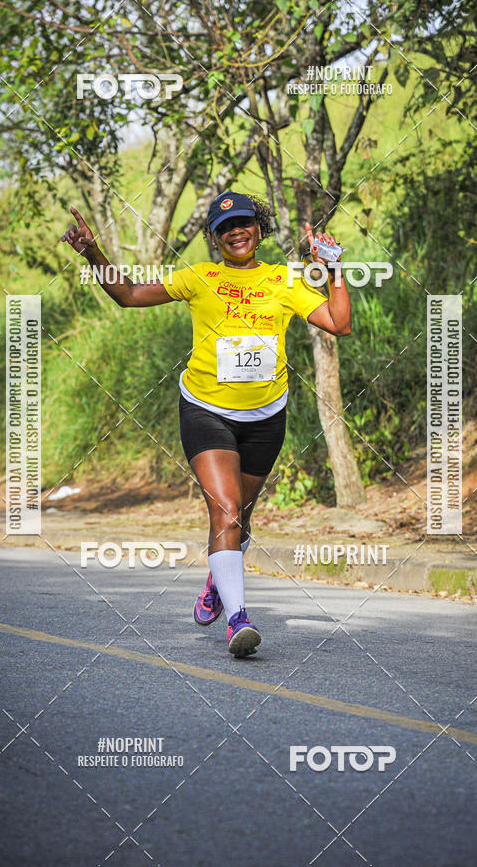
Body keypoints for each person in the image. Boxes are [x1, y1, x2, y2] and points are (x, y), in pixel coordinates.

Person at [61, 191, 351, 658]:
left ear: (259, 230)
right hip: (206, 410)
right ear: (214, 240)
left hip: (265, 415)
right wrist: (92, 252)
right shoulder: (199, 278)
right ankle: (239, 621)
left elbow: (339, 323)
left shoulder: (283, 280)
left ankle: (219, 577)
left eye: (244, 223)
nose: (236, 232)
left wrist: (333, 268)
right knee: (229, 511)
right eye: (225, 228)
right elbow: (129, 295)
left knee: (243, 518)